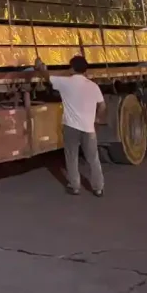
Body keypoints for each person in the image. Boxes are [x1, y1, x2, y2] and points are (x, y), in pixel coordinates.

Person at [34, 55, 105, 197]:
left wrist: (40, 67)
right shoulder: (93, 86)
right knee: (93, 158)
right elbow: (102, 105)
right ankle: (98, 188)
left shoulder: (66, 83)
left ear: (72, 68)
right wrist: (96, 118)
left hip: (71, 127)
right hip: (89, 128)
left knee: (72, 157)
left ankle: (75, 186)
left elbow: (48, 77)